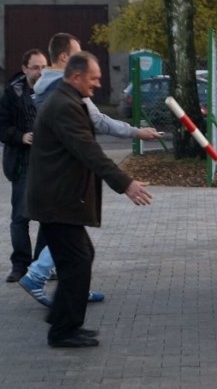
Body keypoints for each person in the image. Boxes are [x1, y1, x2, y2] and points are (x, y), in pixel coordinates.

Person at [18, 32, 161, 306]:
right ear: (65, 60)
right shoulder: (62, 93)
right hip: (62, 183)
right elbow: (94, 135)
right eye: (92, 77)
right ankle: (47, 288)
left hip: (57, 182)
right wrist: (133, 140)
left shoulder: (54, 89)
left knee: (72, 245)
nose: (96, 83)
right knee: (75, 248)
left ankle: (60, 291)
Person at [0, 49, 47, 283]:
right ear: (25, 68)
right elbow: (2, 127)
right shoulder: (12, 93)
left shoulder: (53, 90)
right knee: (21, 216)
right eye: (36, 67)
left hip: (50, 162)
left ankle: (41, 266)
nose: (40, 72)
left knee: (49, 218)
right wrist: (21, 137)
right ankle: (20, 265)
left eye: (43, 67)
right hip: (23, 162)